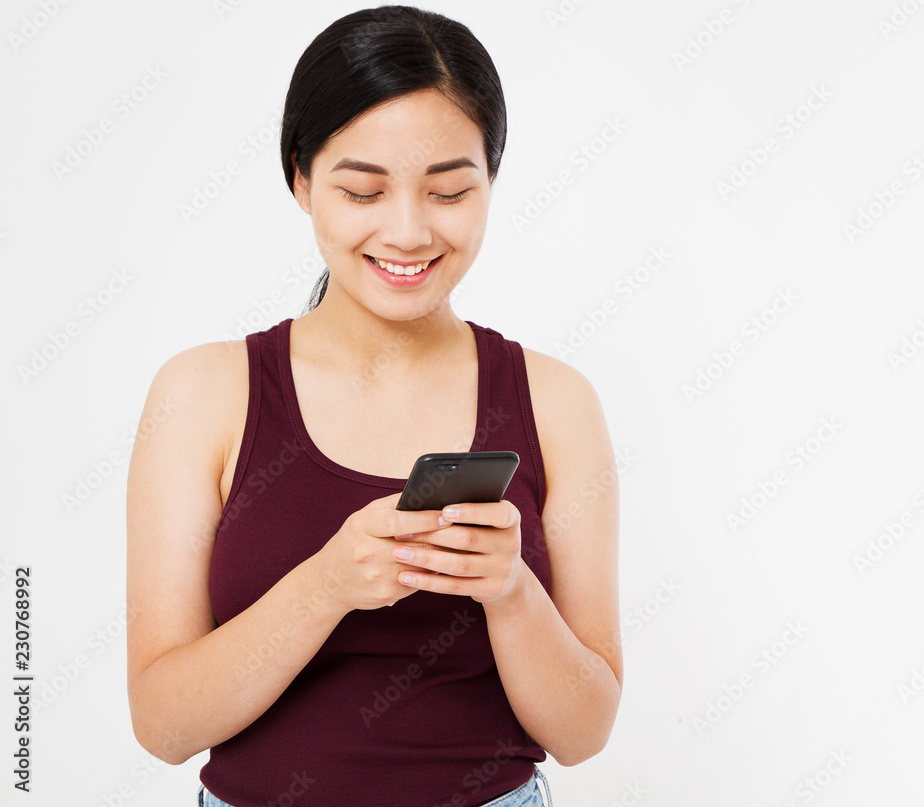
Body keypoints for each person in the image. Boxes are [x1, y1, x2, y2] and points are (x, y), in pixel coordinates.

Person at [125, 6, 622, 806]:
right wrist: (326, 586)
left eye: (449, 190)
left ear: (491, 182)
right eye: (363, 189)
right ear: (301, 180)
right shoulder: (202, 393)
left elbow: (584, 731)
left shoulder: (557, 403)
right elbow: (162, 724)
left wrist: (510, 590)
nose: (408, 231)